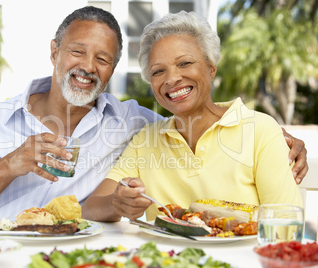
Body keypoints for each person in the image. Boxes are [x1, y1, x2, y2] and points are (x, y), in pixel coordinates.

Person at [0, 7, 306, 223]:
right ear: (54, 52)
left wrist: (273, 137)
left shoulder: (133, 123)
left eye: (102, 59)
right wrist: (10, 164)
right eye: (77, 52)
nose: (87, 67)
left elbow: (288, 224)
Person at [82, 10, 304, 222]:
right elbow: (91, 207)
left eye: (184, 63)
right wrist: (117, 203)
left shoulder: (261, 131)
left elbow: (285, 224)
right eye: (158, 71)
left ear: (211, 67)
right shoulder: (145, 139)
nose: (171, 79)